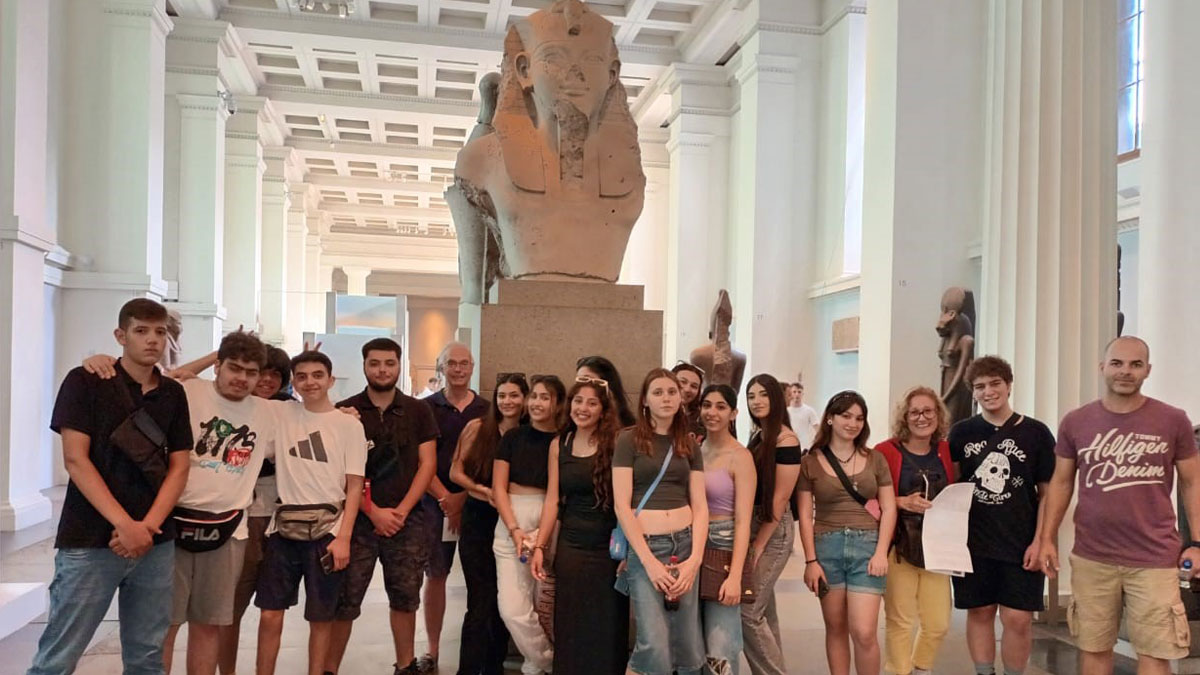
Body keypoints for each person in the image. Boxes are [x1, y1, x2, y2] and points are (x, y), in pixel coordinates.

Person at [28, 299, 193, 675]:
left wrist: (147, 527)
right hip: (91, 538)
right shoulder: (85, 381)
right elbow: (76, 459)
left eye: (160, 331)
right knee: (58, 656)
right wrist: (125, 525)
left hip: (155, 542)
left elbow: (179, 465)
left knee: (148, 656)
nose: (152, 340)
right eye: (141, 331)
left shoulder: (171, 394)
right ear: (121, 335)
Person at [1041, 336, 1200, 674]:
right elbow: (1062, 482)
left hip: (1155, 558)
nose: (1125, 371)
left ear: (1147, 371)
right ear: (1103, 368)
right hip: (1092, 557)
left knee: (1156, 654)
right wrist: (1046, 538)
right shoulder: (1076, 421)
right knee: (1094, 649)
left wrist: (1198, 543)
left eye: (1135, 364)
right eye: (1117, 363)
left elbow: (1192, 481)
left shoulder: (1173, 421)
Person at [326, 338, 439, 675]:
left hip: (407, 521)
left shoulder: (419, 410)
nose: (382, 370)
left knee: (405, 597)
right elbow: (339, 473)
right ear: (364, 366)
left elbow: (427, 465)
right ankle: (329, 668)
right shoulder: (345, 411)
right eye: (375, 363)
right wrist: (372, 511)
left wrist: (401, 512)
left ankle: (405, 666)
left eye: (389, 363)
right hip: (356, 520)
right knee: (344, 600)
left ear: (399, 365)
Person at [254, 351, 366, 675]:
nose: (310, 382)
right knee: (269, 613)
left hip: (328, 533)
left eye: (318, 375)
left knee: (321, 618)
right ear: (293, 382)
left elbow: (355, 486)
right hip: (283, 530)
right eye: (301, 376)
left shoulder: (348, 425)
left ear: (331, 380)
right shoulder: (281, 413)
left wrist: (343, 538)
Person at [948, 356, 1055, 675]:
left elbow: (1049, 493)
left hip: (1020, 540)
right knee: (979, 611)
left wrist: (1042, 540)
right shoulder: (961, 433)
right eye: (980, 386)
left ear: (1008, 385)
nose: (988, 391)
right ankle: (984, 672)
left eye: (995, 383)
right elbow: (953, 487)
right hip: (974, 542)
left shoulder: (1036, 433)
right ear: (973, 392)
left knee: (1018, 618)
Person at [530, 377, 629, 674]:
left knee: (606, 622)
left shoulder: (618, 443)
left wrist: (629, 551)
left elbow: (628, 500)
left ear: (603, 410)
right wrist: (540, 547)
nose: (582, 408)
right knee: (571, 622)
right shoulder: (560, 444)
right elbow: (552, 501)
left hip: (608, 548)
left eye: (592, 402)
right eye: (577, 401)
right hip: (571, 546)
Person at [613, 368, 708, 675]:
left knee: (688, 644)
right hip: (647, 548)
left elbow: (701, 505)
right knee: (652, 644)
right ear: (645, 400)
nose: (666, 398)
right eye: (658, 392)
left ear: (681, 399)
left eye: (672, 391)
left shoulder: (689, 444)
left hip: (684, 543)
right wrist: (648, 562)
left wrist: (695, 559)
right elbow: (621, 505)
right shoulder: (628, 441)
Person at [798, 390, 897, 675]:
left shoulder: (876, 459)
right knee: (836, 627)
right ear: (830, 418)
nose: (852, 423)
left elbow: (889, 509)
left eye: (859, 418)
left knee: (864, 631)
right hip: (826, 549)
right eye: (845, 416)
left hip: (867, 548)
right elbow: (805, 515)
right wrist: (810, 561)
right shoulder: (810, 461)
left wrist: (881, 552)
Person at [221, 344, 293, 675]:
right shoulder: (232, 407)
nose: (266, 380)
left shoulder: (291, 412)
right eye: (259, 373)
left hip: (279, 519)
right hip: (238, 517)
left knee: (272, 607)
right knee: (229, 609)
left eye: (274, 374)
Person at [450, 373, 528, 675]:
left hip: (512, 523)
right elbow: (455, 471)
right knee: (479, 602)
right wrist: (483, 491)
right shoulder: (478, 428)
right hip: (479, 520)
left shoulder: (528, 434)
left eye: (514, 395)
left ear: (525, 399)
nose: (507, 401)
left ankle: (494, 667)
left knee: (504, 603)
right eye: (502, 396)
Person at [420, 342, 490, 672]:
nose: (458, 369)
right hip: (436, 504)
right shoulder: (426, 408)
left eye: (464, 363)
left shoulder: (487, 410)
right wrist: (445, 498)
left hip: (476, 504)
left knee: (482, 579)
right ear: (441, 368)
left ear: (473, 366)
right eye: (452, 363)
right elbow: (421, 461)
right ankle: (432, 650)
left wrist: (463, 496)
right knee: (436, 575)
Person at [876, 387, 955, 675]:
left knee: (938, 622)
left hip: (938, 547)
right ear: (905, 417)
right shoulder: (885, 451)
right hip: (899, 545)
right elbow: (869, 499)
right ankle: (899, 670)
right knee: (900, 620)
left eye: (928, 411)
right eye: (915, 412)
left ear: (938, 415)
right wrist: (900, 502)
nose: (922, 418)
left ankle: (922, 668)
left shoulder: (946, 450)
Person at [492, 374, 564, 675]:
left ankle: (536, 667)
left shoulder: (565, 441)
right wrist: (515, 529)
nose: (536, 402)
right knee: (512, 607)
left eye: (544, 397)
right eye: (533, 396)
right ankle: (547, 659)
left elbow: (560, 492)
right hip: (511, 516)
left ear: (558, 403)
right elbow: (498, 488)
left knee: (546, 605)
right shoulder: (513, 438)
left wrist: (541, 534)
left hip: (552, 519)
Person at [741, 374, 802, 675]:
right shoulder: (759, 436)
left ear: (776, 398)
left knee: (748, 611)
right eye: (751, 396)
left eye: (763, 394)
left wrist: (757, 545)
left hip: (773, 532)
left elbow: (779, 501)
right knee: (765, 612)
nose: (757, 401)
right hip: (753, 525)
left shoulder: (785, 439)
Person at [697, 385, 756, 675]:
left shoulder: (740, 457)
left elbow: (744, 521)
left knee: (720, 644)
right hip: (692, 543)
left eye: (721, 406)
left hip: (724, 543)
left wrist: (735, 576)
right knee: (692, 641)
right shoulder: (696, 449)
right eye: (707, 405)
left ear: (733, 413)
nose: (712, 412)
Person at [576, 355, 636, 427]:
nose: (581, 386)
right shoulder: (569, 429)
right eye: (579, 380)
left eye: (586, 380)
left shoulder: (627, 432)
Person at [672, 362, 705, 441]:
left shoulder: (702, 418)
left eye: (694, 386)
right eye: (683, 382)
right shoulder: (656, 414)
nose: (687, 389)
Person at [786, 382, 820, 451]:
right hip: (788, 447)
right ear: (790, 394)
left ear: (802, 394)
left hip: (804, 448)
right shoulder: (785, 411)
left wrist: (817, 444)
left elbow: (818, 429)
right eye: (794, 392)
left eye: (799, 392)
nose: (797, 394)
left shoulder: (809, 410)